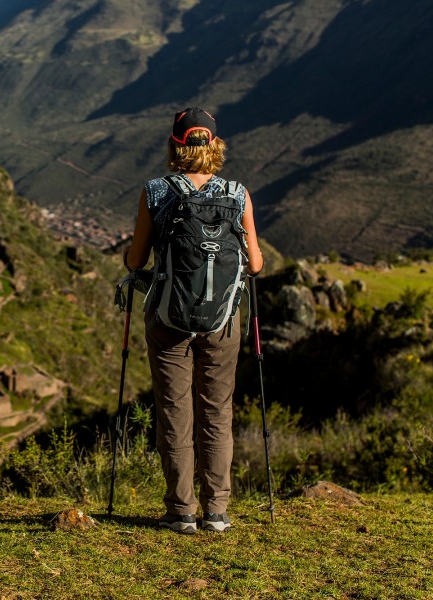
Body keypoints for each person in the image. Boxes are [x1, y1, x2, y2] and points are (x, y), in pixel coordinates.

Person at [123, 107, 263, 533]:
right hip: (222, 322)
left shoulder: (156, 192)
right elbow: (255, 264)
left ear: (175, 144)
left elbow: (136, 260)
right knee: (217, 412)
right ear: (214, 145)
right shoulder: (237, 194)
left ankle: (180, 512)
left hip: (168, 320)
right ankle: (216, 512)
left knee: (174, 410)